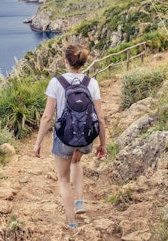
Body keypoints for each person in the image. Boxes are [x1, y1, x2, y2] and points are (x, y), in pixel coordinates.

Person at [33, 44, 106, 230]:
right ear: (82, 63)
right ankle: (80, 201)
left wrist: (38, 142)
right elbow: (100, 117)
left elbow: (47, 117)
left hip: (64, 139)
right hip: (86, 138)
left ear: (65, 61)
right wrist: (102, 144)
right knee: (76, 162)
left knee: (63, 179)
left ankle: (71, 221)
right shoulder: (92, 83)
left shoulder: (56, 82)